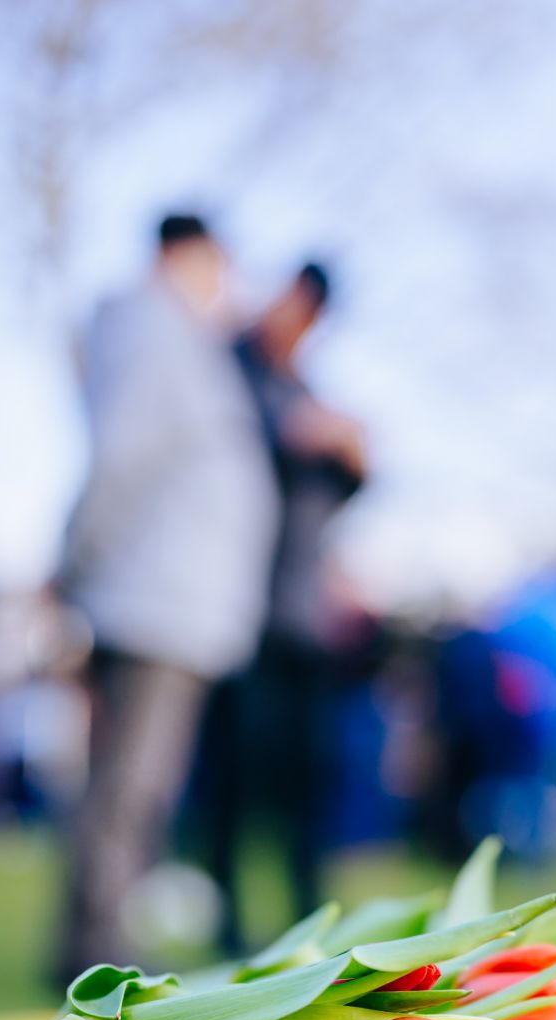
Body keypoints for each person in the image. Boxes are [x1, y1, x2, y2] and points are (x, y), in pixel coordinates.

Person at [59, 213, 277, 978]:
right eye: (220, 270)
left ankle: (102, 948)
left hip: (180, 607)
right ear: (184, 257)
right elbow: (119, 453)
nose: (228, 291)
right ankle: (95, 956)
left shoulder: (180, 338)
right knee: (127, 787)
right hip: (152, 602)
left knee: (141, 787)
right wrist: (72, 566)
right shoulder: (148, 325)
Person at [204, 262, 367, 938]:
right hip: (241, 612)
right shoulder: (236, 371)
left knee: (307, 779)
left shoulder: (308, 392)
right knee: (234, 780)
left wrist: (356, 458)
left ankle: (310, 913)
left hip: (304, 622)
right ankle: (229, 916)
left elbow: (340, 486)